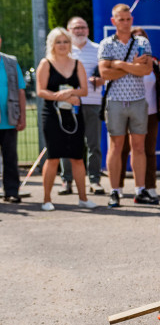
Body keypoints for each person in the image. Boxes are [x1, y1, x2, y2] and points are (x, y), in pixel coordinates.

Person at [98, 3, 153, 208]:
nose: (126, 22)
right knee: (116, 146)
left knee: (139, 147)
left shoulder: (141, 42)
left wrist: (119, 64)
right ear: (113, 21)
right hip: (115, 100)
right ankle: (115, 191)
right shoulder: (106, 44)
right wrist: (132, 66)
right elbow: (105, 73)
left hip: (138, 99)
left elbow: (146, 70)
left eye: (128, 18)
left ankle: (140, 190)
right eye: (121, 19)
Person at [36, 27, 95, 210]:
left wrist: (71, 93)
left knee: (77, 157)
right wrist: (60, 96)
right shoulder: (46, 63)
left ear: (70, 44)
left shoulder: (77, 63)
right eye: (58, 42)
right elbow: (40, 91)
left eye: (66, 41)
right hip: (52, 116)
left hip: (74, 116)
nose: (62, 45)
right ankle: (47, 199)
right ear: (52, 44)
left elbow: (84, 90)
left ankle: (83, 198)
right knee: (53, 157)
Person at [115, 27, 160, 203]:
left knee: (148, 151)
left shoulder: (156, 62)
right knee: (122, 150)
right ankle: (118, 188)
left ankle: (150, 188)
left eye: (143, 39)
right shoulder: (121, 61)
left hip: (150, 112)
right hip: (126, 110)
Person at [59, 17, 104, 196]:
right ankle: (66, 181)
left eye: (83, 27)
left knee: (93, 144)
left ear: (88, 30)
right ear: (69, 30)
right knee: (67, 144)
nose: (79, 31)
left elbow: (105, 73)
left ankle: (94, 180)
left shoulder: (98, 49)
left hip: (92, 103)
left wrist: (101, 79)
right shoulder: (63, 50)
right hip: (69, 104)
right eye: (76, 28)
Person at [0, 34, 27, 203]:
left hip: (9, 119)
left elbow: (21, 90)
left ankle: (11, 191)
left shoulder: (10, 62)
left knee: (10, 158)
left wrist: (22, 117)